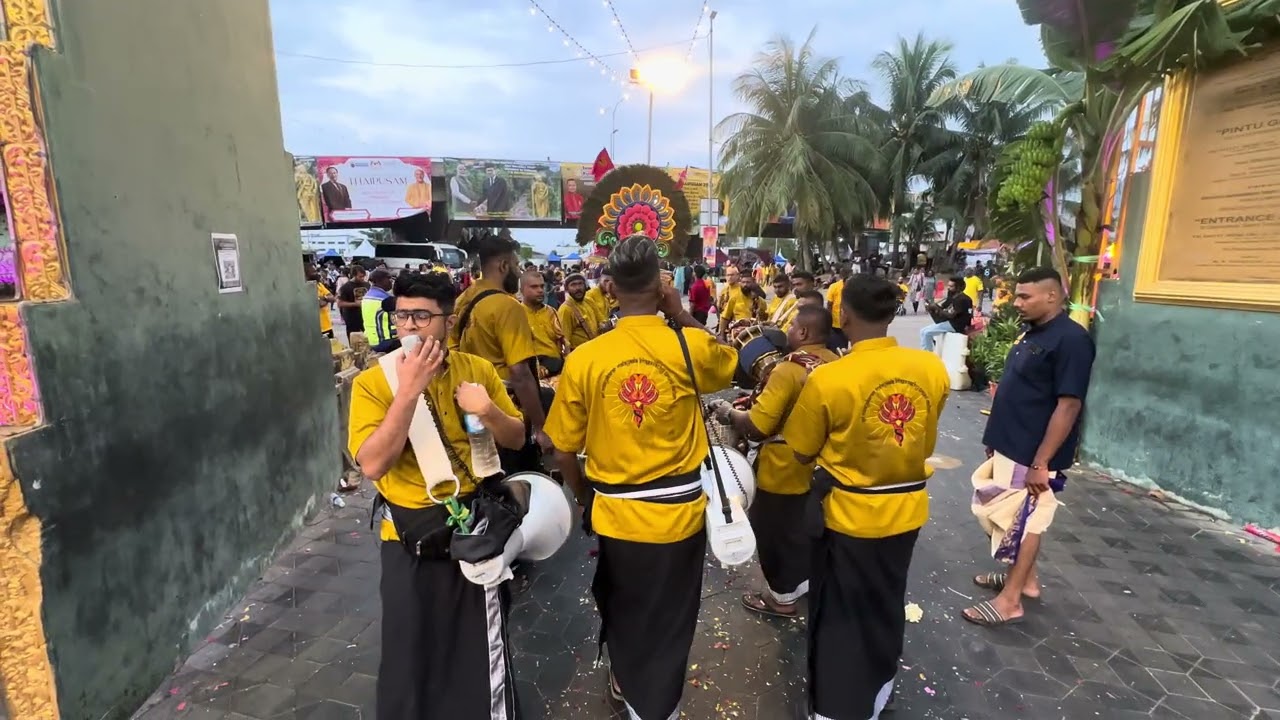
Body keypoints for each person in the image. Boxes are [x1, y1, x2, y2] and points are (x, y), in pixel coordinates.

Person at [546, 236, 736, 720]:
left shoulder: (586, 358)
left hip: (615, 514)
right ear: (661, 285)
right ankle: (659, 707)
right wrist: (682, 314)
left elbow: (563, 449)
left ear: (609, 289)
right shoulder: (689, 344)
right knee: (672, 619)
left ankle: (631, 692)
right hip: (679, 516)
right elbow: (732, 363)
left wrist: (585, 496)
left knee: (625, 608)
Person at [348, 272, 528, 719]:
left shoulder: (477, 370)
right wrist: (408, 390)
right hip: (409, 537)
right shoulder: (374, 383)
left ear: (447, 322)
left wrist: (486, 409)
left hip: (476, 531)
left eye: (422, 316)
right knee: (409, 652)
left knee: (480, 648)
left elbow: (517, 437)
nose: (409, 326)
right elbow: (372, 464)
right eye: (403, 315)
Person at [783, 274, 950, 720]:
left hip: (848, 517)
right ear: (894, 314)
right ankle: (878, 688)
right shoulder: (931, 369)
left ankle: (836, 707)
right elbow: (924, 432)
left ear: (844, 314)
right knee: (885, 599)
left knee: (839, 612)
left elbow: (800, 449)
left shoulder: (830, 378)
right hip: (906, 511)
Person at [963, 267, 1095, 627]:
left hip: (1032, 453)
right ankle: (1027, 581)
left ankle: (1011, 601)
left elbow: (1068, 405)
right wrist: (995, 439)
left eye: (1025, 297)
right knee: (1002, 516)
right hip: (1010, 444)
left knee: (1026, 522)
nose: (1017, 302)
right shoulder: (1034, 332)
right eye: (1018, 295)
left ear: (1052, 297)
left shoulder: (1071, 340)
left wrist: (1042, 461)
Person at [713, 305, 839, 618]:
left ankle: (782, 598)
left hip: (783, 468)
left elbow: (758, 425)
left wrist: (729, 413)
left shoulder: (788, 369)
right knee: (806, 526)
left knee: (775, 532)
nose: (789, 331)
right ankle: (806, 582)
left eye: (793, 326)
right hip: (825, 465)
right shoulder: (837, 363)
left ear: (805, 333)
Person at [449, 233, 550, 472]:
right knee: (516, 481)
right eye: (514, 264)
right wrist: (540, 427)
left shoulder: (463, 299)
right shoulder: (508, 307)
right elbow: (520, 373)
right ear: (504, 265)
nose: (517, 270)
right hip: (504, 410)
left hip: (468, 405)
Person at [521, 269, 566, 376]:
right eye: (534, 287)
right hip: (533, 371)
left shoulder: (551, 312)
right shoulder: (516, 314)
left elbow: (562, 341)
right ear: (522, 289)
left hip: (557, 367)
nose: (540, 290)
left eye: (542, 286)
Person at [920, 277, 974, 351]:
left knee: (927, 333)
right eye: (948, 286)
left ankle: (927, 355)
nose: (948, 288)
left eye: (951, 286)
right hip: (949, 322)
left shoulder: (963, 299)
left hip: (956, 325)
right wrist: (931, 307)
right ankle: (926, 352)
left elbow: (951, 315)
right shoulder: (952, 296)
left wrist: (937, 309)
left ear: (958, 287)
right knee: (922, 331)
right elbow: (943, 306)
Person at [558, 272, 599, 351]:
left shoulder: (589, 301)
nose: (578, 288)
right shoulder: (565, 309)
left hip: (594, 349)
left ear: (585, 285)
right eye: (573, 285)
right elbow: (565, 340)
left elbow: (601, 321)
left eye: (580, 284)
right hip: (578, 353)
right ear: (567, 289)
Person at [362, 269, 397, 352]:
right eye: (388, 278)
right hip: (384, 341)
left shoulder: (368, 295)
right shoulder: (383, 299)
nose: (391, 281)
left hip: (372, 339)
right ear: (379, 281)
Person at [337, 265, 371, 339]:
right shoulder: (346, 287)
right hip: (351, 317)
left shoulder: (367, 285)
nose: (362, 278)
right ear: (354, 275)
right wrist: (355, 304)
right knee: (354, 339)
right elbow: (340, 303)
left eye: (363, 276)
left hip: (365, 316)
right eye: (360, 276)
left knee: (368, 338)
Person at [825, 265, 851, 350]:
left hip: (847, 322)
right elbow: (829, 304)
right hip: (835, 323)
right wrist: (829, 320)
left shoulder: (853, 287)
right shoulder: (834, 287)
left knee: (844, 345)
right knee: (836, 344)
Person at [309, 265, 336, 339]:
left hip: (327, 325)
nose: (317, 273)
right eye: (313, 272)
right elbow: (319, 304)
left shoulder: (319, 285)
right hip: (317, 328)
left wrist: (323, 297)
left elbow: (332, 298)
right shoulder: (308, 288)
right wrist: (326, 300)